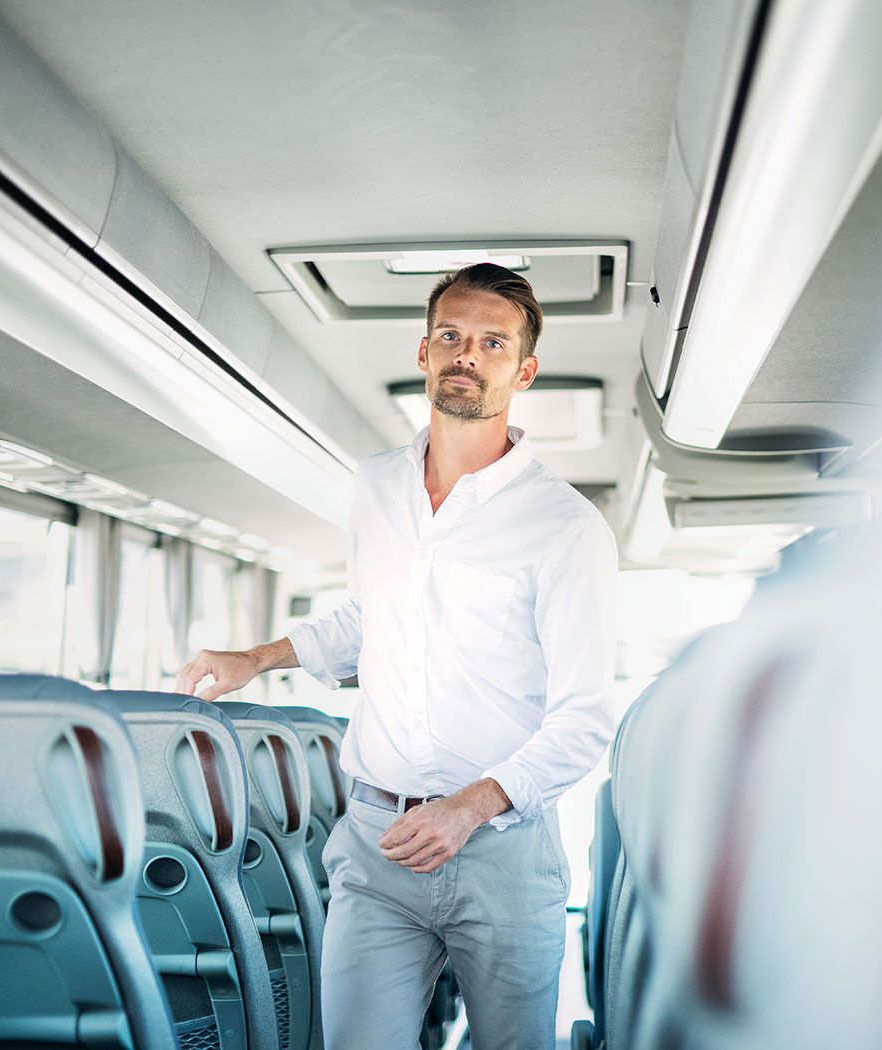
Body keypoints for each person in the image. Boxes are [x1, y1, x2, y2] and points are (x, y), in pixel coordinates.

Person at [178, 262, 619, 1049]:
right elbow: (368, 618)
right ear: (423, 352)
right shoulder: (377, 484)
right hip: (377, 843)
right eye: (451, 335)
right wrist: (259, 656)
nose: (466, 355)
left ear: (524, 371)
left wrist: (471, 804)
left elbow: (585, 720)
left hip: (503, 854)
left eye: (491, 342)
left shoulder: (565, 526)